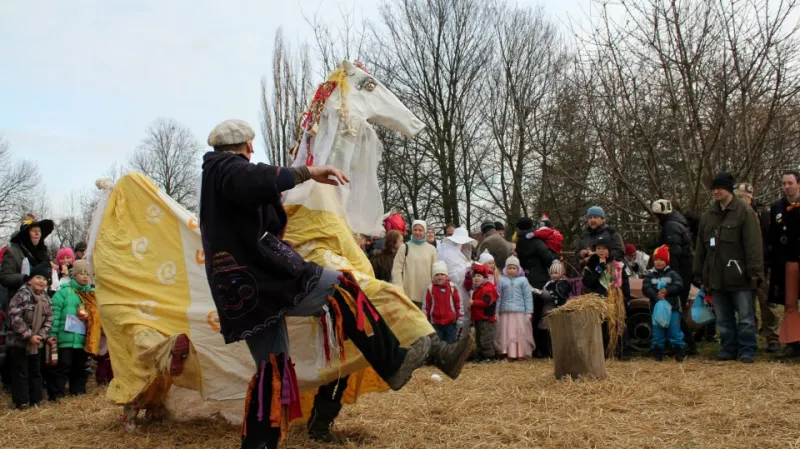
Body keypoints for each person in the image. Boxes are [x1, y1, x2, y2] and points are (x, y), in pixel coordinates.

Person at [199, 120, 471, 448]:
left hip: (245, 293)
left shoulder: (215, 180)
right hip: (261, 280)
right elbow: (252, 179)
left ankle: (259, 445)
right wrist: (307, 172)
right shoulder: (225, 168)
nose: (253, 151)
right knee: (342, 286)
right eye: (250, 146)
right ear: (242, 147)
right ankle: (393, 362)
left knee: (273, 371)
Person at [693, 172, 764, 364]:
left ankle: (747, 350)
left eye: (720, 188)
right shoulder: (709, 215)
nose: (716, 192)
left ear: (729, 189)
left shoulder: (744, 212)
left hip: (740, 274)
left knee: (746, 317)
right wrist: (699, 271)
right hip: (716, 275)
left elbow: (754, 244)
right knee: (723, 319)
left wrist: (755, 272)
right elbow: (701, 246)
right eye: (714, 188)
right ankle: (728, 348)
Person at [0, 215, 54, 392]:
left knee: (37, 342)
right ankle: (11, 382)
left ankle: (36, 384)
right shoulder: (13, 251)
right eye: (33, 231)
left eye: (39, 231)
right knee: (18, 345)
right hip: (20, 302)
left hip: (40, 303)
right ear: (26, 234)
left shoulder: (43, 252)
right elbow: (4, 276)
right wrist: (24, 278)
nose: (37, 234)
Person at [733, 183, 780, 353]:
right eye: (736, 196)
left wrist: (766, 263)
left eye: (741, 197)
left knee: (767, 304)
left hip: (763, 266)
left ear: (750, 197)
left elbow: (770, 241)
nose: (739, 200)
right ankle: (749, 339)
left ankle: (772, 338)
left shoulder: (763, 215)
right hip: (742, 267)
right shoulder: (734, 215)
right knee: (746, 306)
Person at [651, 199, 698, 355]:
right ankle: (683, 343)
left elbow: (674, 254)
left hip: (678, 273)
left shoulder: (670, 227)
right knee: (674, 309)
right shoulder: (679, 223)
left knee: (673, 308)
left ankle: (685, 344)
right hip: (683, 272)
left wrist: (670, 278)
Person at [47, 260, 98, 401]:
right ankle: (57, 394)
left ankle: (78, 391)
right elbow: (55, 314)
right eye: (81, 273)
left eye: (87, 274)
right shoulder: (63, 293)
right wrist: (52, 333)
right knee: (63, 366)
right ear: (73, 275)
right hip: (65, 339)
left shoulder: (92, 295)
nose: (85, 277)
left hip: (82, 339)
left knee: (80, 367)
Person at [7, 263, 53, 409]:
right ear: (29, 280)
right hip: (20, 342)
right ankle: (22, 401)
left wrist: (41, 335)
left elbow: (50, 318)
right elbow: (15, 317)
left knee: (35, 371)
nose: (41, 281)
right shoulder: (22, 295)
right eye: (38, 277)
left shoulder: (46, 298)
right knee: (21, 373)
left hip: (37, 343)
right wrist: (29, 335)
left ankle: (36, 399)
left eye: (45, 279)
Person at [582, 236, 631, 360]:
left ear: (609, 250)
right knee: (602, 325)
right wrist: (599, 269)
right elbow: (587, 282)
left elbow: (625, 282)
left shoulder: (617, 264)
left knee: (618, 324)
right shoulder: (592, 263)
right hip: (600, 298)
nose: (601, 251)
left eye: (604, 248)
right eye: (598, 248)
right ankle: (603, 351)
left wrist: (627, 298)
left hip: (616, 298)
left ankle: (622, 351)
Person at [768, 170, 800, 358]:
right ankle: (793, 342)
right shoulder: (777, 207)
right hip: (787, 261)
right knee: (789, 303)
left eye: (790, 183)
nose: (787, 187)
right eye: (784, 183)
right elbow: (772, 234)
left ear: (798, 184)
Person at [515, 217, 558, 356]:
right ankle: (542, 348)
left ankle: (529, 346)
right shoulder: (536, 241)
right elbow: (548, 259)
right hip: (539, 282)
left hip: (522, 281)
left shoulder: (516, 242)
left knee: (528, 315)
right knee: (540, 315)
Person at [643, 246, 686, 362]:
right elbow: (646, 288)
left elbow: (679, 285)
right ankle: (657, 354)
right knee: (658, 332)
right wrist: (656, 295)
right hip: (657, 310)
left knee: (675, 331)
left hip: (673, 309)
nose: (658, 262)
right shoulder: (649, 275)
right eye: (656, 260)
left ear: (666, 261)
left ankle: (679, 352)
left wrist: (667, 291)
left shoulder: (672, 274)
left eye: (661, 260)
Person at [438, 227, 478, 334]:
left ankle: (463, 343)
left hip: (462, 289)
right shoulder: (448, 254)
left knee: (464, 316)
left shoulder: (458, 253)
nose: (465, 245)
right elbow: (453, 276)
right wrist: (468, 267)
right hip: (453, 290)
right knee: (458, 315)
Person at [495, 256, 534, 360]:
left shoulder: (523, 280)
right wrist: (496, 311)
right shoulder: (502, 280)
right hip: (505, 312)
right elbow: (498, 296)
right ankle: (507, 352)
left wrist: (529, 312)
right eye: (509, 268)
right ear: (506, 269)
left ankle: (520, 353)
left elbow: (527, 297)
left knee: (519, 333)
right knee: (506, 333)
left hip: (519, 312)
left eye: (514, 268)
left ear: (518, 269)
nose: (511, 270)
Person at [392, 220, 437, 307]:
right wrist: (399, 288)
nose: (417, 232)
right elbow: (396, 270)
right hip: (408, 294)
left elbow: (435, 271)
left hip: (426, 294)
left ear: (425, 232)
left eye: (420, 230)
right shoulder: (404, 247)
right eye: (415, 230)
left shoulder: (431, 249)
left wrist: (434, 290)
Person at [575, 206, 625, 271]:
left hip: (609, 272)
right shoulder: (583, 235)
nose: (592, 220)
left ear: (603, 219)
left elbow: (620, 251)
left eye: (595, 217)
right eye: (590, 218)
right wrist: (582, 254)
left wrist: (601, 256)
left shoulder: (611, 233)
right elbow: (577, 254)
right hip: (590, 273)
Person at [423, 261, 462, 344]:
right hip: (436, 323)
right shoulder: (430, 289)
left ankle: (451, 356)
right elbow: (426, 306)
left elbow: (458, 304)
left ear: (446, 275)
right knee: (437, 344)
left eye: (442, 274)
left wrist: (460, 317)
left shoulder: (452, 287)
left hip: (450, 323)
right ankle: (439, 357)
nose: (439, 277)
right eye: (436, 275)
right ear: (433, 277)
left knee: (451, 343)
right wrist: (425, 319)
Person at [470, 264, 498, 363]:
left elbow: (486, 302)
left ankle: (489, 356)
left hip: (486, 318)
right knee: (479, 337)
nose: (476, 278)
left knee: (486, 338)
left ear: (484, 277)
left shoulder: (488, 288)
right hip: (479, 317)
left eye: (479, 276)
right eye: (474, 276)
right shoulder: (478, 288)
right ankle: (481, 355)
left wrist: (473, 302)